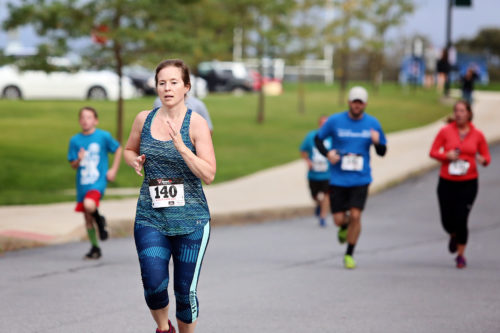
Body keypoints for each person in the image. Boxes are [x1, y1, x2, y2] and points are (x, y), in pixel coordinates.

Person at [124, 59, 216, 333]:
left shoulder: (196, 124)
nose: (167, 88)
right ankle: (164, 328)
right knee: (153, 284)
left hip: (192, 222)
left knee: (184, 295)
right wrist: (135, 161)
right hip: (151, 217)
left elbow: (209, 174)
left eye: (174, 82)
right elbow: (128, 149)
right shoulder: (144, 119)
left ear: (186, 87)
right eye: (162, 82)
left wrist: (183, 149)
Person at [314, 86, 387, 269]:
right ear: (349, 102)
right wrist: (328, 154)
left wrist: (377, 143)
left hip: (361, 178)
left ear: (365, 104)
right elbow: (318, 139)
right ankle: (344, 226)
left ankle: (349, 254)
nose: (357, 105)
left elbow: (382, 152)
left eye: (360, 102)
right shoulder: (335, 121)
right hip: (338, 178)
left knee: (356, 215)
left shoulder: (373, 123)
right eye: (354, 102)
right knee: (338, 219)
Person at [429, 100, 490, 269]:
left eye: (462, 111)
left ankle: (461, 256)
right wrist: (445, 156)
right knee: (447, 221)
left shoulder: (478, 135)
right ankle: (453, 234)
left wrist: (483, 160)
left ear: (469, 113)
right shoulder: (445, 132)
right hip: (447, 181)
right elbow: (433, 152)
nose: (458, 114)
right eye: (456, 110)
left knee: (462, 218)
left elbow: (486, 156)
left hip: (468, 183)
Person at [67, 106, 122, 259]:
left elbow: (118, 149)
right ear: (79, 121)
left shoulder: (103, 136)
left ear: (96, 120)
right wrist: (79, 159)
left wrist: (113, 170)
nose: (85, 120)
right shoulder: (75, 140)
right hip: (82, 184)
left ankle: (100, 219)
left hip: (98, 181)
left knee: (89, 205)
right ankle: (95, 247)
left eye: (89, 117)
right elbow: (73, 165)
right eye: (83, 118)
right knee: (87, 218)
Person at [300, 115, 332, 227]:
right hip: (314, 173)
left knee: (326, 195)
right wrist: (308, 161)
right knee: (314, 196)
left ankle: (323, 217)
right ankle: (319, 204)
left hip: (328, 174)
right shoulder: (311, 136)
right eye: (322, 123)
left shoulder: (333, 138)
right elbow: (303, 150)